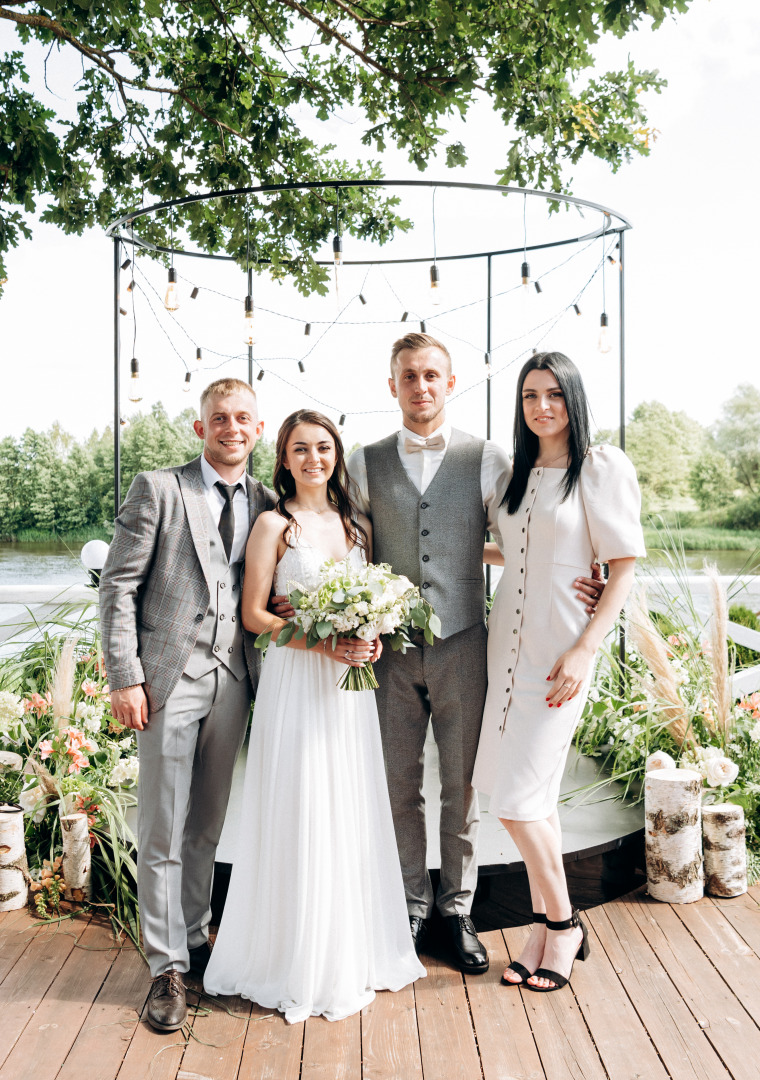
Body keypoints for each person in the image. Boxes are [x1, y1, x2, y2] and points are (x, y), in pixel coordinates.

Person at [289, 332, 602, 976]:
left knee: (463, 784)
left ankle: (457, 909)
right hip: (388, 650)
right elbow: (349, 545)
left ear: (449, 382)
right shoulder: (365, 461)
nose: (421, 387)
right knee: (398, 782)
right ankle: (409, 904)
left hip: (467, 643)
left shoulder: (489, 458)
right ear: (393, 385)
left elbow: (533, 532)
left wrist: (585, 575)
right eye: (409, 376)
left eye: (432, 375)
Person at [203, 410, 425, 1022]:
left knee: (347, 806)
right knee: (300, 805)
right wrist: (325, 643)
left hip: (348, 695)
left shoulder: (358, 527)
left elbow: (374, 603)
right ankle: (291, 956)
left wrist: (372, 639)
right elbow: (254, 616)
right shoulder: (274, 526)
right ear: (283, 458)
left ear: (337, 455)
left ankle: (349, 950)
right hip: (295, 684)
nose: (313, 459)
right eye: (300, 449)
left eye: (323, 447)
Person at [97, 378, 276, 1033]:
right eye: (219, 418)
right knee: (161, 829)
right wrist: (125, 676)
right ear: (200, 428)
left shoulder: (268, 501)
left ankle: (197, 939)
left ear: (259, 429)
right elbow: (117, 588)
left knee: (206, 825)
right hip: (168, 679)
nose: (232, 428)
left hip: (235, 678)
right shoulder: (159, 488)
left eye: (243, 419)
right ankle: (165, 967)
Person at [478, 351, 644, 992]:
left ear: (572, 398)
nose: (541, 406)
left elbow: (623, 564)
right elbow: (512, 549)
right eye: (528, 396)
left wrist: (585, 648)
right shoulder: (516, 476)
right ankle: (546, 930)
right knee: (528, 798)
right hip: (506, 649)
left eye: (553, 394)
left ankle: (563, 922)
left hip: (560, 653)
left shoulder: (600, 467)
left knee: (518, 805)